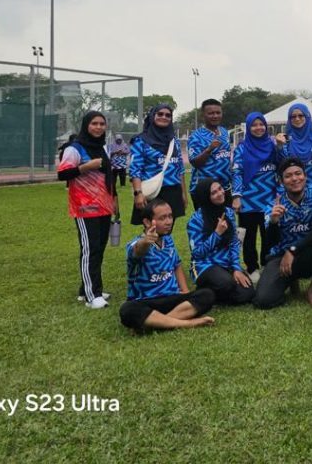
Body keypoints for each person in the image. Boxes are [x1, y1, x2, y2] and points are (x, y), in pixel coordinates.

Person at [119, 200, 216, 333]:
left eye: (170, 216)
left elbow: (177, 264)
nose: (169, 221)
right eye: (162, 218)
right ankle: (187, 323)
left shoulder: (168, 240)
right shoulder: (135, 244)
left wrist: (185, 291)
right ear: (147, 222)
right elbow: (138, 250)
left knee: (207, 294)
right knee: (127, 310)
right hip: (146, 301)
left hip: (172, 298)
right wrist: (146, 241)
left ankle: (156, 324)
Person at [253, 158, 312, 310]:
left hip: (309, 252)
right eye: (288, 176)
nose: (295, 178)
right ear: (281, 181)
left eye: (298, 173)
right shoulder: (273, 203)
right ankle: (290, 279)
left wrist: (293, 250)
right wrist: (274, 222)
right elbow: (270, 243)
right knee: (263, 300)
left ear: (305, 176)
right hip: (282, 256)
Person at [58, 111, 117, 309]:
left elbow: (108, 175)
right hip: (85, 207)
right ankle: (93, 296)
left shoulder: (102, 147)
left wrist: (114, 200)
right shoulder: (74, 148)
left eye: (102, 124)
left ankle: (86, 290)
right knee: (89, 249)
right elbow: (62, 173)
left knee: (99, 248)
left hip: (104, 205)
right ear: (86, 125)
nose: (98, 127)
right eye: (94, 123)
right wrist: (86, 166)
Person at [186, 178, 255, 305]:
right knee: (226, 283)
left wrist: (236, 268)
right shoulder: (196, 220)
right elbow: (197, 254)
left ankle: (211, 293)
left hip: (225, 264)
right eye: (214, 193)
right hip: (204, 265)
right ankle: (206, 288)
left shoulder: (228, 212)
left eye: (220, 188)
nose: (220, 193)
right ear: (205, 197)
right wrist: (217, 234)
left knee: (248, 292)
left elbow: (234, 242)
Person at [231, 112, 279, 273]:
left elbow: (282, 164)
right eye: (254, 125)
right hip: (248, 200)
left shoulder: (273, 145)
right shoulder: (242, 147)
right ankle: (252, 268)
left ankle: (267, 265)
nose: (258, 128)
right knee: (248, 237)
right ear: (248, 128)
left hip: (270, 200)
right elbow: (237, 172)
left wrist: (281, 147)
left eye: (261, 124)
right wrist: (237, 197)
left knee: (269, 235)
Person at [129, 104, 187, 225]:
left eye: (168, 115)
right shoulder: (141, 140)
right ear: (152, 116)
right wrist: (138, 193)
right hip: (153, 192)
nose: (164, 117)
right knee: (152, 229)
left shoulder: (174, 141)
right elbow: (135, 170)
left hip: (173, 192)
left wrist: (183, 193)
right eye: (160, 114)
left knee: (167, 228)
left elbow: (180, 169)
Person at [187, 99, 233, 197]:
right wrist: (209, 149)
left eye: (218, 113)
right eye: (211, 113)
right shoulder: (196, 136)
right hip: (205, 189)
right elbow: (195, 163)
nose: (215, 116)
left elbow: (226, 158)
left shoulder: (224, 132)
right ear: (203, 115)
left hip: (224, 187)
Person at [275, 102, 312, 176]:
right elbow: (280, 162)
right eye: (293, 116)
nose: (297, 119)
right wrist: (279, 147)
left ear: (307, 117)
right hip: (293, 180)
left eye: (301, 115)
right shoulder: (284, 138)